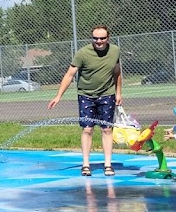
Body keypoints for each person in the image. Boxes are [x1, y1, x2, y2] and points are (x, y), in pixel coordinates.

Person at [48, 25, 123, 177]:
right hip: (86, 95)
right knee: (87, 129)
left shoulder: (115, 51)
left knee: (107, 129)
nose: (99, 41)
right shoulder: (83, 53)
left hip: (107, 94)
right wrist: (58, 96)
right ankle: (86, 165)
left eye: (102, 38)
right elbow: (69, 75)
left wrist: (118, 93)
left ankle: (108, 164)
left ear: (108, 38)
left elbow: (117, 72)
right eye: (95, 38)